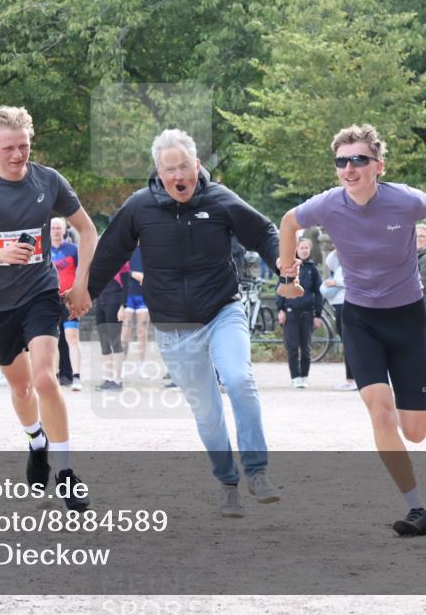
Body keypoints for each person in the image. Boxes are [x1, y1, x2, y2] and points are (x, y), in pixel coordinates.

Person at [278, 123, 426, 537]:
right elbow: (289, 222)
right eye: (341, 161)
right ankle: (417, 509)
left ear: (378, 165)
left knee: (414, 432)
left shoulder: (404, 200)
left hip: (407, 318)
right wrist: (288, 269)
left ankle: (400, 415)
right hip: (360, 319)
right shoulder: (327, 205)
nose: (349, 168)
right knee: (380, 412)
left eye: (358, 159)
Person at [89, 128, 282, 518]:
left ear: (197, 165)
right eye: (168, 169)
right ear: (158, 172)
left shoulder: (219, 200)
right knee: (208, 413)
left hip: (222, 312)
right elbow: (109, 253)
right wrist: (84, 295)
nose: (178, 175)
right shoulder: (139, 207)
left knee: (240, 380)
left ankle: (257, 471)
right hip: (174, 328)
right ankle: (227, 482)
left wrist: (283, 267)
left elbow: (263, 231)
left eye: (183, 166)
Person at [0, 105, 98, 512]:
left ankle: (65, 473)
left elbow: (87, 229)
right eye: (9, 147)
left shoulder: (48, 181)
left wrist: (81, 283)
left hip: (41, 292)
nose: (18, 155)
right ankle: (37, 441)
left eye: (24, 146)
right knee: (21, 387)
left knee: (47, 380)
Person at [277, 237, 323, 388]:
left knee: (306, 347)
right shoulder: (288, 267)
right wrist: (280, 310)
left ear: (309, 250)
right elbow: (280, 290)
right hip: (290, 311)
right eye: (301, 247)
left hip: (307, 313)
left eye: (306, 248)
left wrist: (318, 315)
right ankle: (295, 377)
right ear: (296, 250)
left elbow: (319, 292)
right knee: (292, 346)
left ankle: (304, 376)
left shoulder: (313, 269)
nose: (304, 250)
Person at [50, 217, 82, 390]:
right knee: (52, 339)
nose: (55, 231)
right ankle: (54, 376)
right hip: (50, 300)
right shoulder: (44, 251)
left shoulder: (73, 250)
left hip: (69, 300)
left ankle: (76, 377)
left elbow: (81, 274)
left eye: (58, 228)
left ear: (64, 230)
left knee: (72, 337)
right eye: (53, 228)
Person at [321, 249, 356, 390]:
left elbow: (355, 281)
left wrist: (336, 282)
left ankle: (352, 380)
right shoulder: (342, 263)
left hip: (347, 303)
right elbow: (329, 261)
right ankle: (351, 379)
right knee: (346, 341)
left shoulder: (355, 260)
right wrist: (339, 245)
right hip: (339, 304)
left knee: (350, 342)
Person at [93, 260, 130, 391]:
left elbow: (127, 285)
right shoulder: (98, 262)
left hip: (115, 302)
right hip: (100, 303)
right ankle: (108, 378)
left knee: (115, 341)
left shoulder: (122, 262)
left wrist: (123, 306)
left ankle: (118, 380)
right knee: (104, 342)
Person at [121, 246, 151, 379]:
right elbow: (119, 269)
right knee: (125, 332)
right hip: (127, 295)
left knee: (142, 333)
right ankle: (121, 366)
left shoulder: (150, 248)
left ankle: (142, 367)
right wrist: (133, 273)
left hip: (143, 296)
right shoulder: (126, 248)